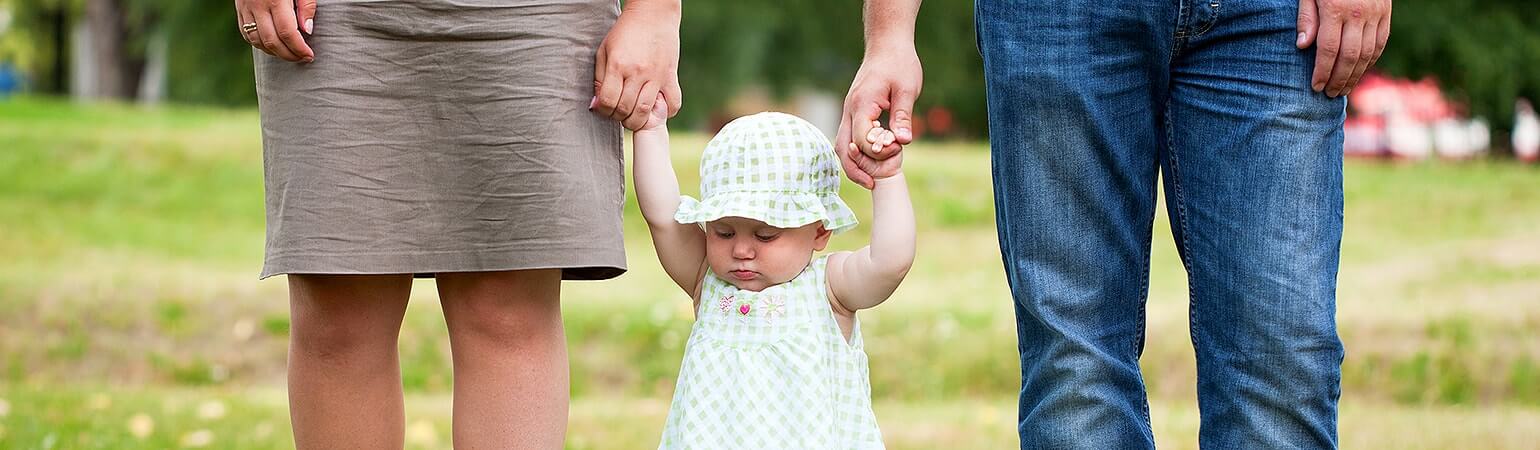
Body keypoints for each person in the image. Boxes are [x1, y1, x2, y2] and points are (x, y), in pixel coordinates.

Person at [845, 0, 1391, 447]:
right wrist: (890, 32)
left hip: (1273, 18)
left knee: (1281, 363)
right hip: (1054, 16)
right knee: (1075, 370)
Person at [234, 0, 681, 447]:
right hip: (332, 17)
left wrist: (655, 13)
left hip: (534, 13)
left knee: (507, 309)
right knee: (340, 304)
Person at [628, 102, 913, 448]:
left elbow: (890, 262)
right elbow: (662, 216)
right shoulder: (710, 281)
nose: (741, 250)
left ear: (819, 231)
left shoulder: (829, 288)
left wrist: (887, 179)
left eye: (765, 235)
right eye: (724, 232)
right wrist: (649, 128)